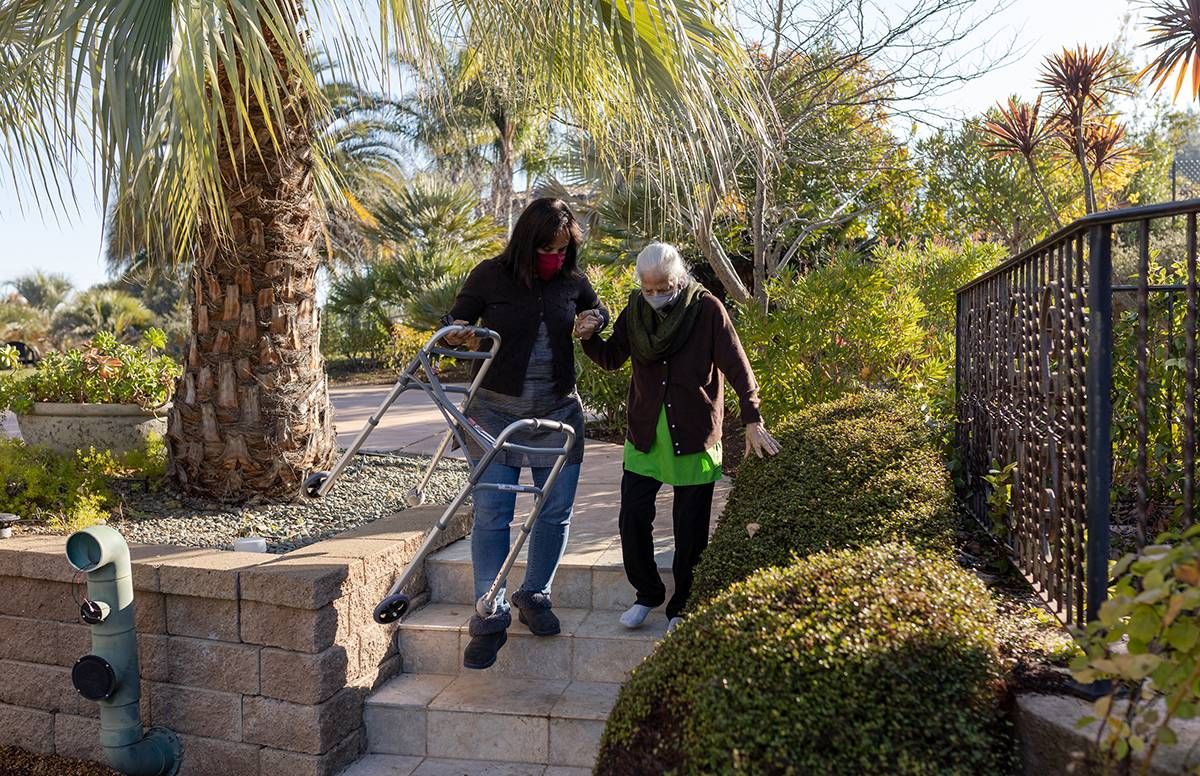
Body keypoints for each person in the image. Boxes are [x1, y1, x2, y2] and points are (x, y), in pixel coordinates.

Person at [575, 242, 780, 631]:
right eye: (648, 288)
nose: (655, 296)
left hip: (693, 430)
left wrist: (752, 417)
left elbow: (738, 366)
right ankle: (647, 592)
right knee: (632, 518)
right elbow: (613, 357)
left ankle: (682, 605)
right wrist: (588, 339)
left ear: (679, 278)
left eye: (663, 287)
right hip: (646, 433)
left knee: (690, 530)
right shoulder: (636, 310)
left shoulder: (706, 310)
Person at [443, 198, 608, 669]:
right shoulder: (489, 275)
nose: (555, 257)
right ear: (526, 243)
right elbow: (457, 320)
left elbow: (599, 311)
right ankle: (489, 615)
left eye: (562, 248)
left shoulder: (573, 282)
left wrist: (595, 321)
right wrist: (458, 333)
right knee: (494, 513)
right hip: (494, 414)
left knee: (554, 512)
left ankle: (534, 596)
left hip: (557, 413)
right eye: (547, 248)